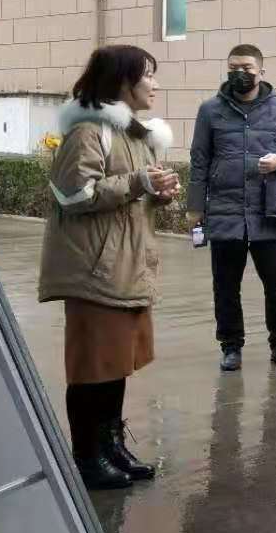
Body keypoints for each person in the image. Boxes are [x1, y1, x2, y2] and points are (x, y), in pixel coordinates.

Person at [39, 46, 179, 489]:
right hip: (95, 271)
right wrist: (138, 182)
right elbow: (73, 194)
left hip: (126, 267)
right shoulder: (88, 131)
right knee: (92, 368)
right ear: (122, 81)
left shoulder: (137, 134)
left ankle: (111, 446)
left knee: (115, 365)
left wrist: (158, 191)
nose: (155, 84)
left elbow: (130, 194)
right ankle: (87, 457)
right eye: (148, 75)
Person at [188, 44, 276, 373]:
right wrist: (195, 207)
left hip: (269, 212)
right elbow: (199, 160)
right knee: (226, 286)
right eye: (233, 68)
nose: (240, 73)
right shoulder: (210, 110)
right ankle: (230, 346)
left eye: (247, 68)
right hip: (225, 212)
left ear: (261, 71)